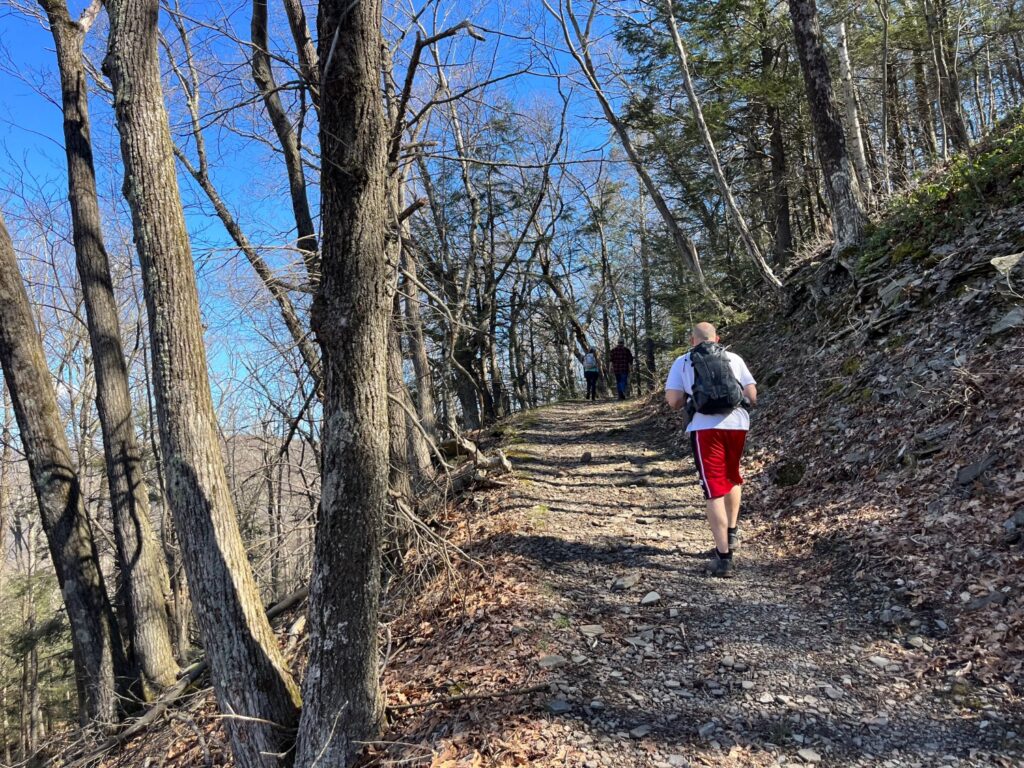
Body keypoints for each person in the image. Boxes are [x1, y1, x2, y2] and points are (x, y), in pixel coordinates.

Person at [664, 322, 757, 577]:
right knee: (732, 476)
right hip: (737, 425)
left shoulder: (683, 361)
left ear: (692, 340)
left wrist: (692, 397)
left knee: (713, 486)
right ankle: (732, 532)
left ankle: (724, 557)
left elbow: (673, 401)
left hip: (705, 428)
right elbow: (752, 394)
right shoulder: (734, 358)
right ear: (717, 338)